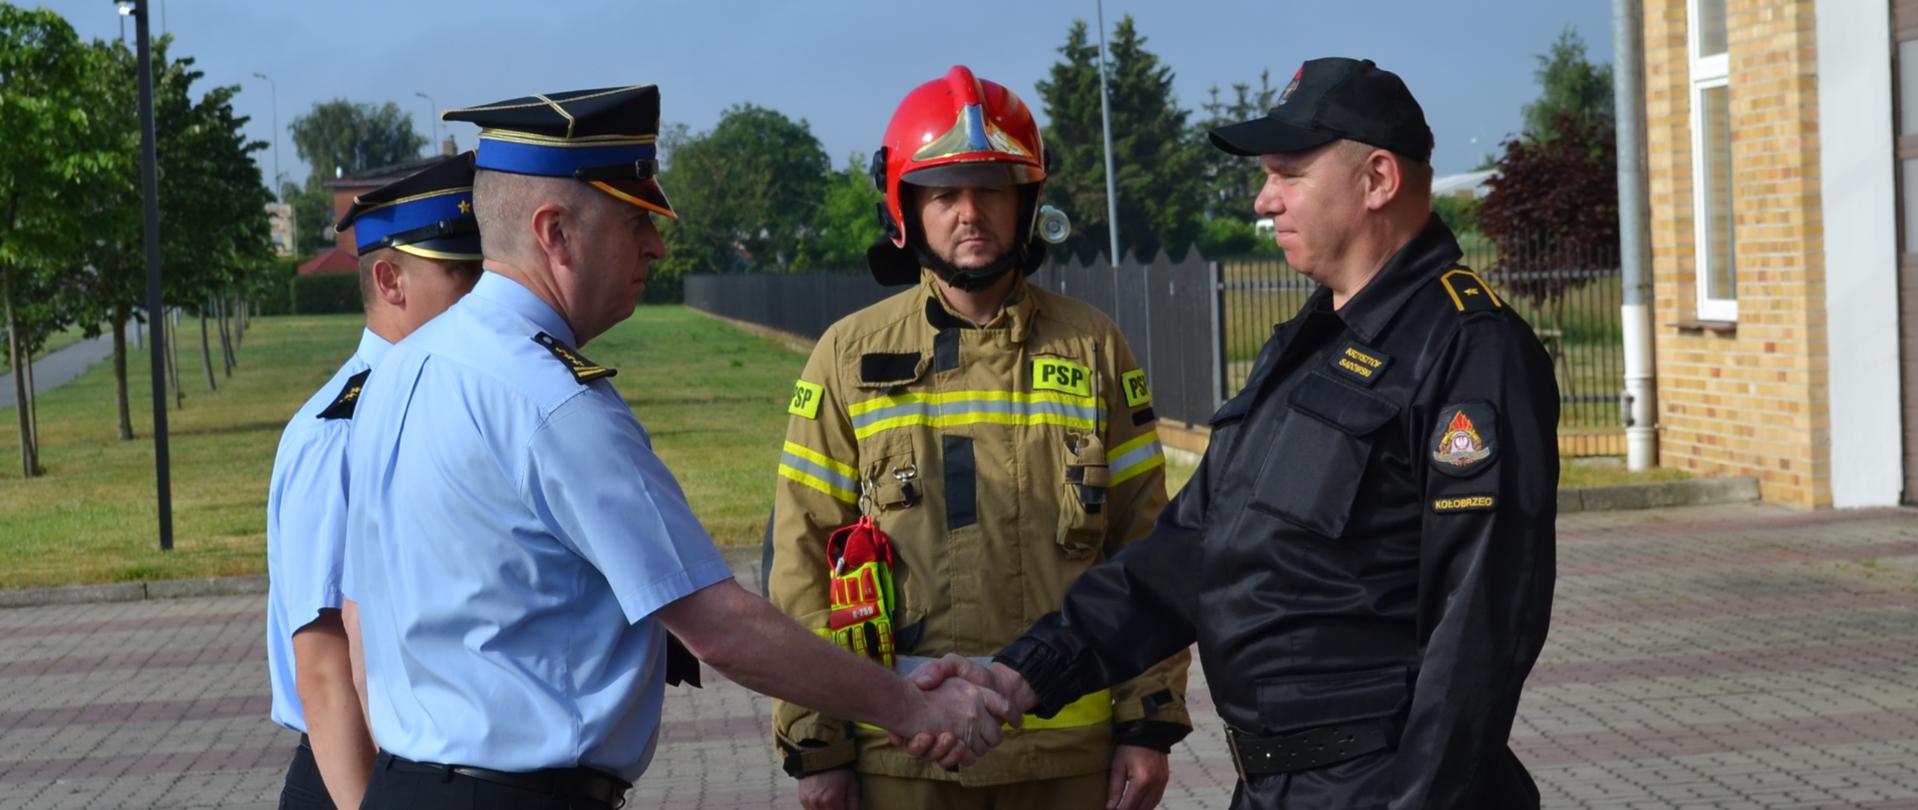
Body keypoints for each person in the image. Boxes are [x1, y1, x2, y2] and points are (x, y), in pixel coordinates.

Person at [910, 57, 1562, 809]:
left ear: (1378, 179)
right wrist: (1020, 674)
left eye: (1288, 173)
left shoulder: (1469, 350)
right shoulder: (1310, 345)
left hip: (1380, 786)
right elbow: (1188, 553)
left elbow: (1479, 629)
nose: (1264, 199)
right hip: (1278, 785)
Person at [338, 84, 1012, 810]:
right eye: (636, 222)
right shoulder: (551, 400)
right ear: (555, 232)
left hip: (404, 783)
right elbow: (721, 627)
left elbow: (357, 610)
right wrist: (913, 707)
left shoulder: (397, 370)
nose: (657, 244)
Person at [767, 65, 1191, 810]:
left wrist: (1147, 725)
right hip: (901, 758)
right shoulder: (848, 354)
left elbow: (1146, 546)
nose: (971, 213)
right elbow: (804, 554)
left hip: (1069, 756)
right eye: (945, 193)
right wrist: (817, 744)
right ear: (907, 210)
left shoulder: (1093, 347)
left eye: (992, 190)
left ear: (1027, 203)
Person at [264, 153, 485, 809]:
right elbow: (325, 670)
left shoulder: (450, 404)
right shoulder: (337, 432)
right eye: (462, 273)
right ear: (389, 280)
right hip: (354, 770)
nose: (485, 291)